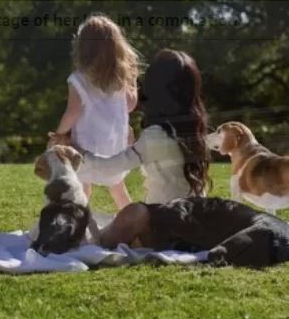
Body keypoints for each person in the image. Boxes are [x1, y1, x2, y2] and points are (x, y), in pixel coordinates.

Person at [77, 48, 212, 204]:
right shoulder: (195, 128)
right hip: (196, 211)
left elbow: (109, 167)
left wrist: (76, 152)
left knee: (128, 217)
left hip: (166, 217)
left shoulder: (155, 135)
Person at [50, 14, 139, 210]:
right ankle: (137, 227)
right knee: (118, 189)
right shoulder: (120, 78)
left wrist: (59, 134)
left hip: (86, 147)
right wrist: (132, 81)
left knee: (82, 189)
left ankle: (77, 224)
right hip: (115, 146)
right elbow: (130, 106)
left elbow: (72, 112)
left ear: (83, 48)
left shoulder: (78, 79)